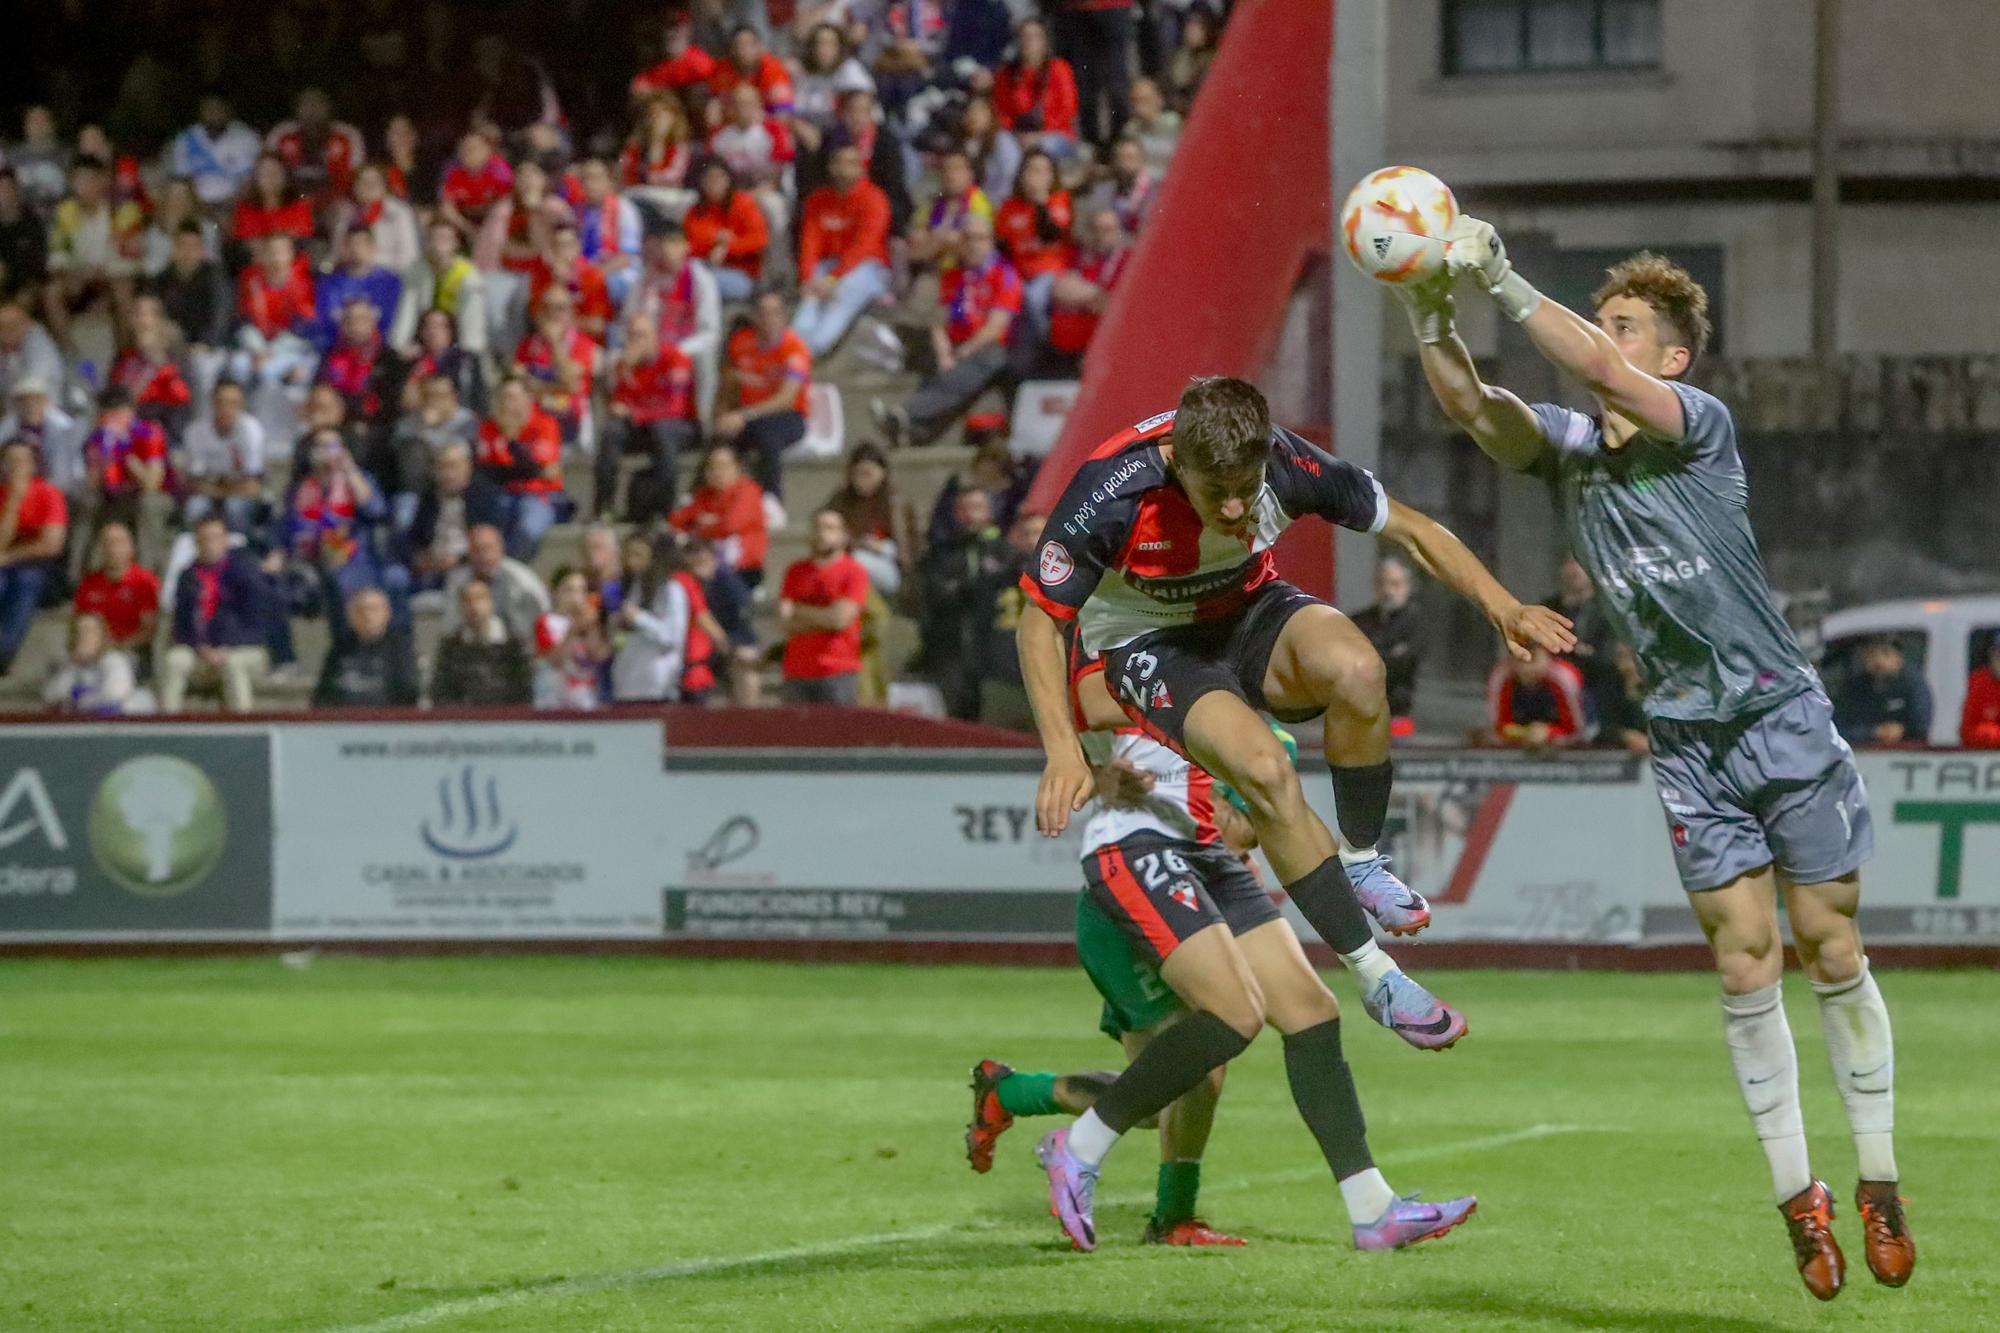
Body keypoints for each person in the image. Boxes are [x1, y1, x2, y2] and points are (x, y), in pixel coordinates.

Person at [1403, 230, 1912, 1295]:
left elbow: (1589, 365)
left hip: (1778, 718)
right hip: (1686, 739)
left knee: (1826, 942)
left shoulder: (1699, 434)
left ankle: (1875, 1175)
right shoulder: (1568, 447)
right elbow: (1470, 407)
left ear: (1668, 361)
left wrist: (1501, 280)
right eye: (1605, 323)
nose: (1604, 342)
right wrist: (1424, 306)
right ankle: (1799, 1198)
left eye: (1626, 330)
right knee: (1741, 961)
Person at [1018, 377, 1577, 1249]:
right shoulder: (1112, 493)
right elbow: (1038, 617)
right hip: (1150, 647)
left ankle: (1359, 863)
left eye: (1250, 489)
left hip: (1248, 614)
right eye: (1218, 497)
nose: (1241, 507)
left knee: (1358, 672)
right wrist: (1059, 745)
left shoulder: (1280, 465)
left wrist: (1503, 605)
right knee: (1265, 777)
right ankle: (1378, 974)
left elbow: (1418, 530)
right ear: (1176, 468)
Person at [875, 213, 1018, 449]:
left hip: (992, 347)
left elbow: (996, 326)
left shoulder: (1005, 275)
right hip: (956, 343)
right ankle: (910, 432)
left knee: (973, 364)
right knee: (935, 361)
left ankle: (905, 413)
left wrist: (962, 353)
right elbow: (939, 320)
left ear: (991, 242)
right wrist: (944, 353)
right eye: (968, 238)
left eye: (980, 239)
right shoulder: (954, 276)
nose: (973, 244)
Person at [160, 515, 269, 712]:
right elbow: (180, 626)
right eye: (204, 538)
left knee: (233, 665)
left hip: (243, 650)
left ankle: (244, 729)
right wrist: (199, 646)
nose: (210, 544)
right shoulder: (187, 577)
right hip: (200, 652)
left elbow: (258, 626)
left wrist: (226, 647)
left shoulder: (247, 575)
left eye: (215, 537)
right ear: (196, 542)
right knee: (174, 660)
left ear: (226, 540)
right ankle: (167, 726)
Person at [792, 145, 891, 357]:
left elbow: (863, 247)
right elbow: (810, 243)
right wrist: (808, 277)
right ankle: (796, 348)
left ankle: (811, 351)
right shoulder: (817, 200)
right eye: (837, 163)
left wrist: (832, 279)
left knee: (842, 294)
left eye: (849, 164)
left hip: (867, 268)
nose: (842, 169)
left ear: (861, 168)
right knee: (808, 300)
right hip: (827, 266)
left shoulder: (874, 199)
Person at [599, 314, 698, 523]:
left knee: (663, 431)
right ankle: (604, 506)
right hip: (643, 426)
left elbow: (676, 408)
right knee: (611, 431)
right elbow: (618, 407)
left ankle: (665, 509)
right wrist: (624, 374)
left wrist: (637, 413)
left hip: (680, 427)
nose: (635, 341)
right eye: (631, 335)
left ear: (655, 337)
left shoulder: (675, 358)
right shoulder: (624, 365)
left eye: (641, 335)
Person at [718, 291, 811, 498]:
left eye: (774, 313)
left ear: (784, 317)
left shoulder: (795, 349)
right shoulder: (741, 342)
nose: (768, 319)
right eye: (763, 313)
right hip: (746, 414)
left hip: (789, 415)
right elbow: (728, 381)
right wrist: (724, 413)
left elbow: (787, 398)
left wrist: (745, 415)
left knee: (768, 435)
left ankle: (772, 498)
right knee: (720, 439)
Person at [74, 385, 172, 577]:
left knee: (148, 504)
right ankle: (78, 575)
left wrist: (125, 454)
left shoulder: (149, 432)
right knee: (87, 502)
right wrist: (102, 459)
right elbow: (91, 485)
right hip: (114, 497)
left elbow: (152, 484)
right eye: (107, 412)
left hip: (151, 496)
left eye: (118, 411)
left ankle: (146, 574)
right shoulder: (98, 438)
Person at [779, 508, 869, 705]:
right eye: (817, 527)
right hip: (797, 670)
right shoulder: (796, 571)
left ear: (843, 536)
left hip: (837, 669)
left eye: (830, 528)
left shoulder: (853, 572)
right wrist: (825, 617)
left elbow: (839, 620)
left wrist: (800, 611)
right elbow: (784, 622)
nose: (822, 533)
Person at [476, 376, 566, 561]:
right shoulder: (489, 427)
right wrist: (524, 470)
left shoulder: (545, 424)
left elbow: (544, 471)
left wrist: (511, 440)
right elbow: (490, 472)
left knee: (527, 529)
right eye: (503, 398)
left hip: (539, 495)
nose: (507, 404)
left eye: (512, 397)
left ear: (528, 399)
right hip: (501, 495)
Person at [0, 439, 67, 673]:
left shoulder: (49, 494)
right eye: (11, 461)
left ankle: (3, 653)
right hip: (5, 567)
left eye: (22, 461)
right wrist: (13, 502)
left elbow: (51, 545)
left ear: (32, 464)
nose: (17, 466)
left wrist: (10, 557)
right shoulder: (2, 495)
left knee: (26, 581)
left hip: (42, 570)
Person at [390, 376, 481, 532]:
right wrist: (422, 429)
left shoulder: (467, 421)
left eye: (441, 396)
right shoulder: (408, 424)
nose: (435, 401)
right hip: (417, 489)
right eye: (429, 396)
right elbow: (403, 462)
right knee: (402, 520)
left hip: (454, 490)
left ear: (453, 397)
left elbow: (457, 453)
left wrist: (433, 431)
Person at [669, 444, 768, 587]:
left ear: (737, 467)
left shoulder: (748, 491)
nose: (716, 472)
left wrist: (702, 526)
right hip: (707, 567)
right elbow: (676, 520)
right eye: (711, 467)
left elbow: (731, 525)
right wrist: (708, 523)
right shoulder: (703, 495)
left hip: (741, 569)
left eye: (722, 466)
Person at [825, 441, 911, 598]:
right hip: (847, 558)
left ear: (882, 473)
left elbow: (906, 549)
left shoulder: (894, 503)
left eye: (868, 473)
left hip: (887, 566)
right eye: (857, 474)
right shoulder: (840, 501)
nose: (862, 480)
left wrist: (880, 547)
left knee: (857, 561)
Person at [390, 221, 488, 358]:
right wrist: (398, 345)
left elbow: (472, 320)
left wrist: (467, 353)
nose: (439, 244)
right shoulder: (415, 271)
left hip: (456, 339)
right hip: (424, 336)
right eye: (434, 238)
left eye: (445, 238)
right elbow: (407, 311)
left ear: (456, 243)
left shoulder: (469, 276)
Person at [430, 577, 533, 707]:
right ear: (460, 607)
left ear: (491, 603)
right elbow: (440, 691)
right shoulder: (451, 645)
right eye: (467, 601)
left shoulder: (513, 642)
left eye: (479, 599)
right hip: (462, 719)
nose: (473, 606)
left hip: (506, 718)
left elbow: (524, 688)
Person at [1350, 556, 1422, 738]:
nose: (1388, 591)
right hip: (1359, 717)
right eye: (1383, 584)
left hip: (1398, 717)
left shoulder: (1416, 622)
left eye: (1395, 584)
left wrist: (1370, 655)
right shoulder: (1359, 621)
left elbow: (1404, 663)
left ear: (1407, 586)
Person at [313, 586, 419, 708]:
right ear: (350, 616)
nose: (367, 616)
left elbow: (408, 694)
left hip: (386, 722)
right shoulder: (339, 649)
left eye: (374, 609)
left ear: (387, 613)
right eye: (361, 610)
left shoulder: (400, 649)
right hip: (341, 722)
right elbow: (321, 697)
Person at [72, 520, 159, 665]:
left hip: (129, 651)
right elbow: (79, 624)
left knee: (113, 662)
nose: (112, 548)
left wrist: (119, 646)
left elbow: (149, 629)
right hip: (94, 649)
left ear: (131, 547)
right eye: (107, 543)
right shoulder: (89, 583)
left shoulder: (144, 581)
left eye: (119, 542)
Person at [444, 522, 549, 642]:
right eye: (476, 550)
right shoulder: (457, 581)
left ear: (500, 549)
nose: (483, 556)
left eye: (487, 548)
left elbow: (541, 623)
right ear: (469, 553)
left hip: (518, 646)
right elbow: (449, 626)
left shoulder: (523, 582)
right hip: (469, 647)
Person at [682, 160, 769, 303]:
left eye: (719, 177)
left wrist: (727, 247)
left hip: (742, 275)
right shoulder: (695, 211)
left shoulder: (742, 203)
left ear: (728, 179)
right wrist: (715, 242)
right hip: (704, 268)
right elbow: (689, 244)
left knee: (700, 284)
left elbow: (759, 240)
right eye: (709, 178)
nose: (714, 183)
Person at [993, 19, 1080, 155]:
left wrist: (1039, 136)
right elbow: (1000, 111)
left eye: (1035, 37)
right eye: (1025, 37)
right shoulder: (1006, 73)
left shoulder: (1059, 69)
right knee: (1002, 143)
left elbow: (1067, 110)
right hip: (1017, 134)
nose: (1029, 42)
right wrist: (1018, 134)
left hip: (1054, 134)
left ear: (1044, 42)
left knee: (1045, 147)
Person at [1833, 637, 1933, 748]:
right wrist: (1873, 732)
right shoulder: (1853, 688)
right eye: (1871, 654)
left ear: (1898, 658)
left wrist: (1901, 730)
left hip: (1905, 756)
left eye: (1885, 653)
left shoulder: (1913, 685)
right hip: (1860, 753)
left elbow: (1921, 726)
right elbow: (1839, 728)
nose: (1878, 661)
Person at [533, 567, 610, 709]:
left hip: (584, 697)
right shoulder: (546, 621)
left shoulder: (588, 623)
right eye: (569, 590)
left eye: (581, 590)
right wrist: (572, 632)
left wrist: (592, 628)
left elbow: (599, 655)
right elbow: (554, 660)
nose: (576, 596)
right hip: (553, 699)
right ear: (556, 592)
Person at [1487, 645, 1588, 749]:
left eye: (1533, 659)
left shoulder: (1564, 678)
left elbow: (1578, 731)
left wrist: (1549, 733)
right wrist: (1522, 735)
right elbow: (1499, 728)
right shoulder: (1501, 677)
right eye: (1518, 659)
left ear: (1548, 656)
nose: (1525, 668)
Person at [44, 611, 143, 714]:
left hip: (115, 723)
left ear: (102, 636)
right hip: (79, 725)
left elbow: (115, 696)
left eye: (89, 631)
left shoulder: (115, 660)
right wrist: (72, 665)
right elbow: (50, 696)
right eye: (78, 632)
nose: (84, 637)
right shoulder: (71, 666)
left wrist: (78, 698)